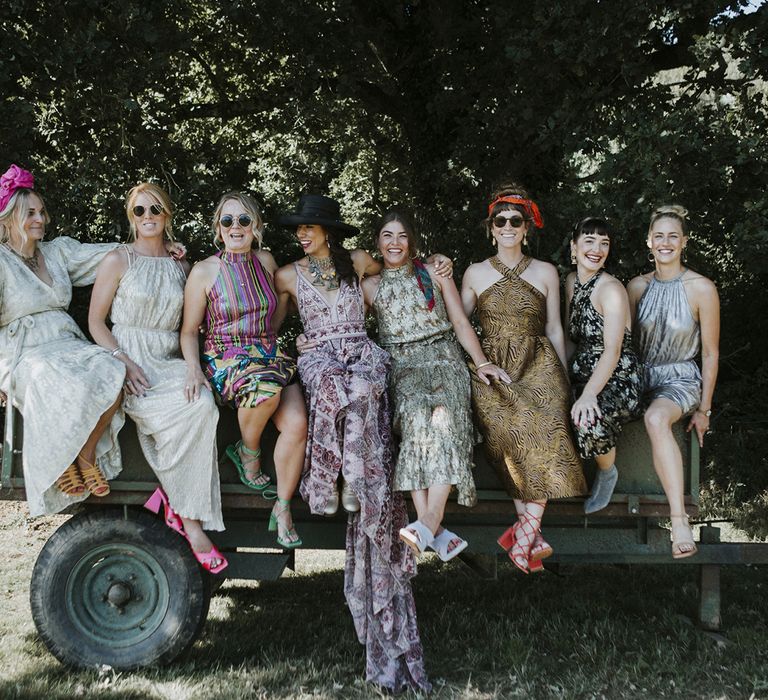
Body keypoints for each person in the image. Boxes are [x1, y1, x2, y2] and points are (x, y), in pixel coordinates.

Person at [274, 194, 431, 693]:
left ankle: (358, 481)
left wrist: (437, 264)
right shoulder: (285, 275)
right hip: (319, 355)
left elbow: (404, 273)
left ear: (327, 230)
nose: (302, 234)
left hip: (361, 349)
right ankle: (333, 481)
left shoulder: (358, 262)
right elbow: (274, 326)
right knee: (328, 388)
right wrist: (294, 346)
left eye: (310, 227)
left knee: (363, 386)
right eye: (298, 228)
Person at [89, 182, 227, 573]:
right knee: (175, 414)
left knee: (201, 405)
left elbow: (190, 324)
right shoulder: (118, 261)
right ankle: (193, 524)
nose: (147, 217)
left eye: (155, 210)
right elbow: (96, 322)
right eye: (139, 211)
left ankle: (172, 500)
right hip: (129, 357)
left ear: (167, 215)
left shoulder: (180, 263)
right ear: (130, 217)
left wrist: (191, 365)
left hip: (170, 357)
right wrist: (122, 360)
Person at [359, 209, 510, 561]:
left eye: (401, 236)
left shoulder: (432, 273)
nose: (395, 243)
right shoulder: (370, 286)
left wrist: (482, 361)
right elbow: (346, 324)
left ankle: (428, 520)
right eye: (387, 236)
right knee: (413, 421)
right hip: (402, 366)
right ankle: (433, 530)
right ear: (377, 242)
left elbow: (459, 320)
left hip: (444, 359)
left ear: (412, 240)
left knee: (443, 420)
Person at [461, 183, 586, 574]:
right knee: (506, 427)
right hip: (493, 365)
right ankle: (530, 535)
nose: (509, 226)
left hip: (538, 362)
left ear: (526, 227)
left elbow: (554, 329)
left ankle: (525, 536)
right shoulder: (475, 273)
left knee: (547, 419)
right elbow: (458, 324)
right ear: (491, 228)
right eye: (501, 221)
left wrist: (564, 379)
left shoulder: (547, 271)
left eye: (517, 220)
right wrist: (479, 363)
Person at [181, 191, 306, 549]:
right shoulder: (204, 271)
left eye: (243, 220)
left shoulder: (266, 261)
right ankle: (246, 452)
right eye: (227, 221)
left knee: (298, 424)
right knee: (266, 391)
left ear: (256, 227)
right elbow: (189, 331)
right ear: (218, 229)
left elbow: (278, 311)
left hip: (268, 352)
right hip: (226, 356)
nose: (236, 227)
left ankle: (282, 508)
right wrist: (193, 369)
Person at [0, 164, 124, 515]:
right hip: (23, 351)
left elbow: (109, 255)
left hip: (67, 342)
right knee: (48, 377)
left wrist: (155, 246)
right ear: (9, 218)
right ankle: (60, 463)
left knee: (112, 369)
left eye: (41, 212)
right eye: (31, 213)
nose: (41, 219)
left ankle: (84, 455)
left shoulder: (56, 253)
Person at [627, 204, 719, 559]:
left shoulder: (701, 288)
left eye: (673, 237)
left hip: (679, 378)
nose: (665, 243)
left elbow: (710, 353)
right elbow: (623, 342)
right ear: (649, 241)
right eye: (659, 236)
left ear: (684, 242)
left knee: (654, 417)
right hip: (641, 373)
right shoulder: (637, 286)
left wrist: (705, 409)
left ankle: (678, 520)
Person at [565, 217, 641, 514]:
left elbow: (612, 350)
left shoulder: (611, 289)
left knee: (588, 418)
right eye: (589, 241)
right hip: (582, 372)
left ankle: (608, 473)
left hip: (618, 377)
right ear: (574, 247)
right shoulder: (571, 281)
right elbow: (571, 337)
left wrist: (588, 395)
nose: (597, 249)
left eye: (604, 243)